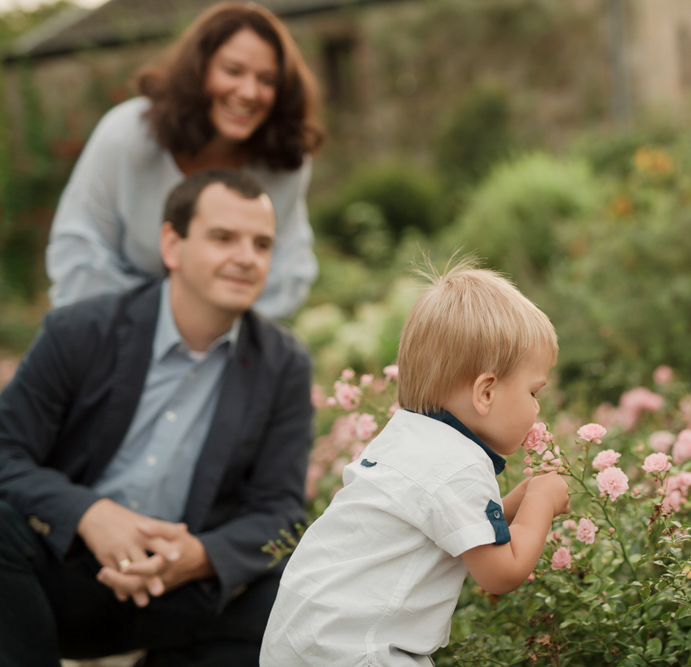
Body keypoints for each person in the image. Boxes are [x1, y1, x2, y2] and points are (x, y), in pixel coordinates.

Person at [0, 168, 314, 666]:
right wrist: (88, 513)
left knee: (296, 592)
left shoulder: (284, 365)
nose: (246, 258)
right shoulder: (78, 332)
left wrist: (200, 558)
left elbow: (279, 512)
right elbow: (5, 453)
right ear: (172, 244)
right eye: (223, 238)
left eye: (261, 244)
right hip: (57, 576)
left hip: (177, 591)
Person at [260, 264, 571, 666]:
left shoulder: (408, 439)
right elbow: (501, 573)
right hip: (359, 653)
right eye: (533, 392)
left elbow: (451, 523)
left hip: (305, 643)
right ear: (486, 393)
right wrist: (542, 501)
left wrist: (517, 503)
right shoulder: (458, 464)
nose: (536, 408)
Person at [46, 1, 324, 320]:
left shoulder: (286, 159)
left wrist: (219, 337)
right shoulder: (126, 135)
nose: (249, 91)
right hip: (115, 329)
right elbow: (79, 250)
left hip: (229, 337)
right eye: (232, 71)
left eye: (267, 80)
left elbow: (286, 268)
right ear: (198, 70)